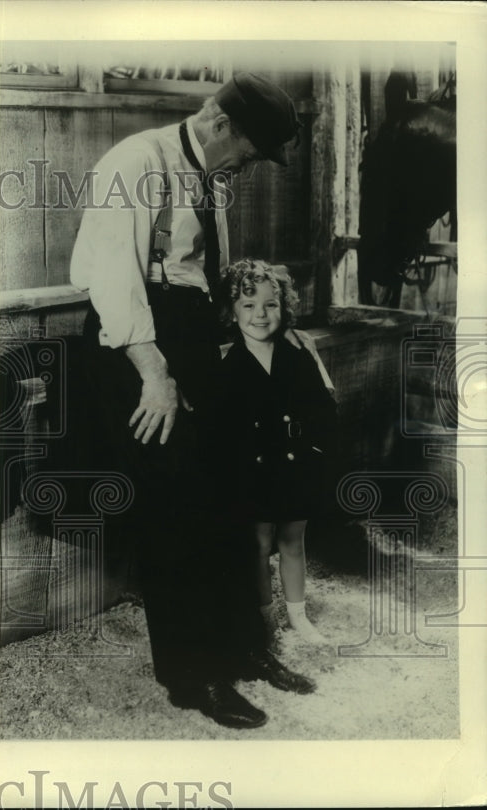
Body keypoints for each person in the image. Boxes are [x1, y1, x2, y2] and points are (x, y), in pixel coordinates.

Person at [70, 72, 316, 729]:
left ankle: (243, 648)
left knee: (235, 487)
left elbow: (203, 272)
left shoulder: (206, 174)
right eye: (252, 152)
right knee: (176, 503)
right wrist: (156, 373)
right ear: (222, 125)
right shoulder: (136, 162)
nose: (252, 166)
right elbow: (113, 279)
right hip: (133, 344)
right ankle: (192, 676)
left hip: (188, 331)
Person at [214, 259, 337, 645]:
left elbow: (323, 406)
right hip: (251, 473)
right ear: (232, 313)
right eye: (248, 306)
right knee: (259, 544)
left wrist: (315, 448)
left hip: (295, 465)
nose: (260, 315)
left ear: (284, 308)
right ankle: (265, 618)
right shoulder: (226, 363)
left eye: (270, 305)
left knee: (293, 540)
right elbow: (222, 427)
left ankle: (298, 617)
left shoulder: (297, 351)